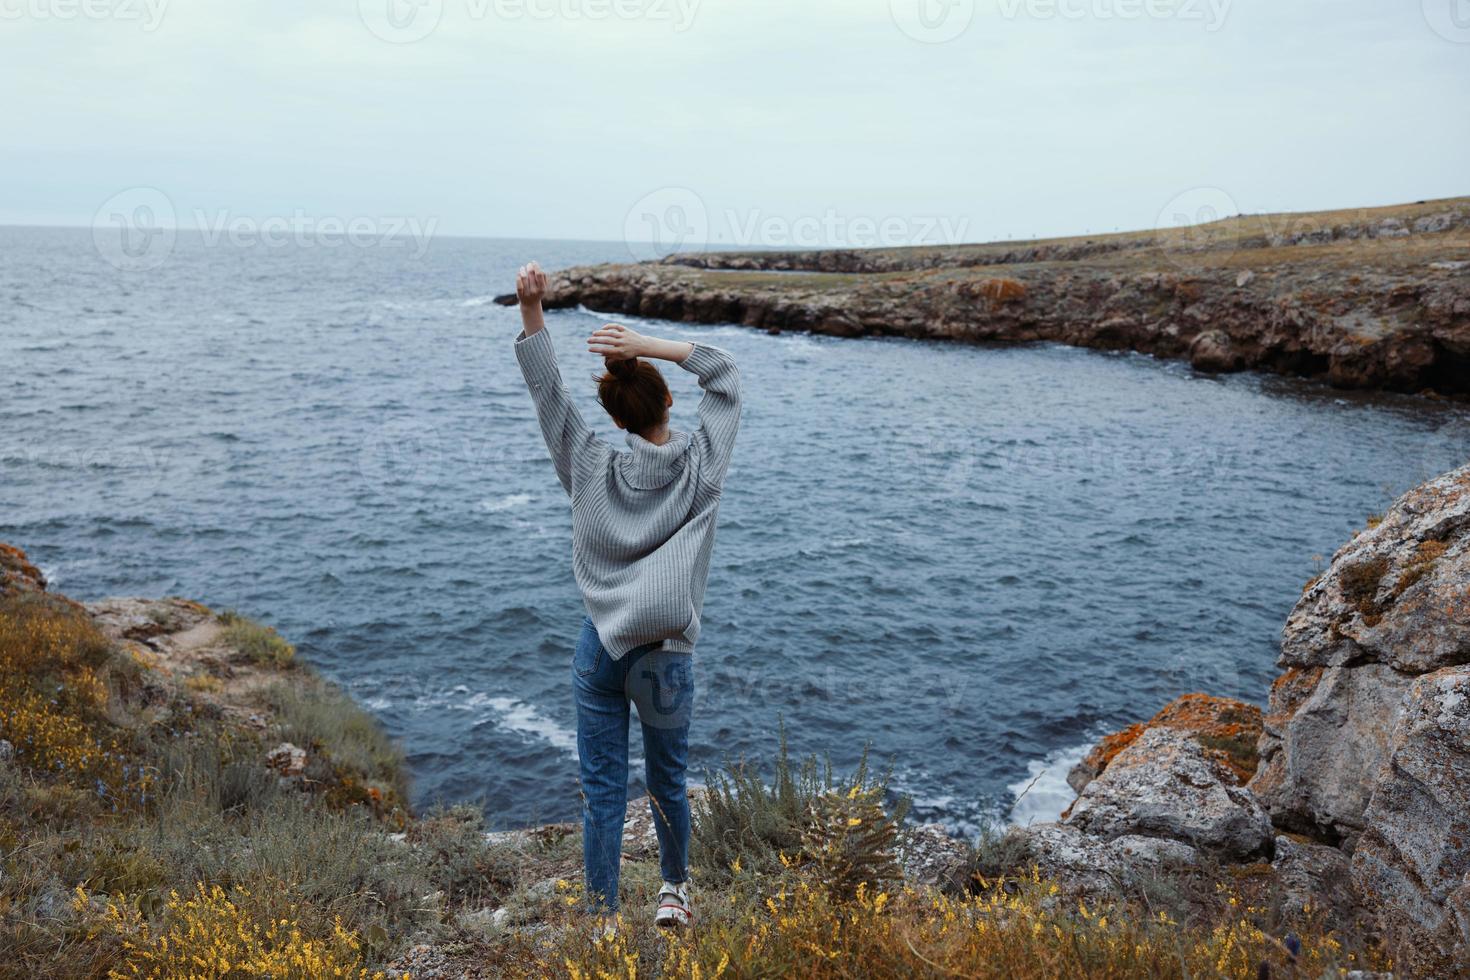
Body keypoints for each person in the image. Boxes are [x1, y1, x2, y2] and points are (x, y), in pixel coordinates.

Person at [512, 261, 742, 930]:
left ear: (613, 416)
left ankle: (604, 916)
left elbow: (548, 392)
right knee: (666, 782)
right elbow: (724, 375)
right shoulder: (703, 467)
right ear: (668, 402)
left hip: (601, 648)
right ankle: (673, 893)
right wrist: (645, 345)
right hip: (665, 656)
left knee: (603, 790)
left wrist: (533, 311)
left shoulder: (588, 463)